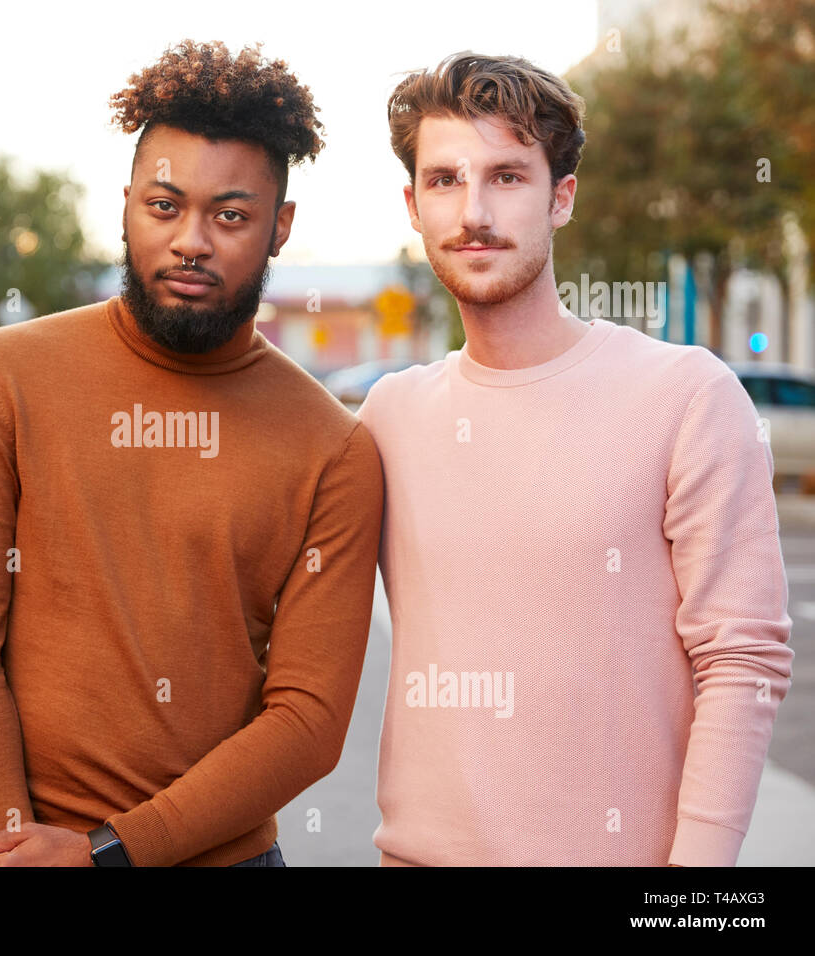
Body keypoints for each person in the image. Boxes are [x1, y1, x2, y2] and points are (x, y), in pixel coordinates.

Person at [0, 39, 383, 867]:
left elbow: (309, 720)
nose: (191, 241)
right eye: (165, 206)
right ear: (126, 204)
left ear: (280, 227)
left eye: (231, 215)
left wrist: (107, 855)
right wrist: (12, 840)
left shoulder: (334, 447)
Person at [359, 52, 793, 866]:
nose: (475, 211)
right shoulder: (389, 416)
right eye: (446, 180)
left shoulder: (685, 395)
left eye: (508, 177)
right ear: (414, 207)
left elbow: (743, 658)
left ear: (561, 197)